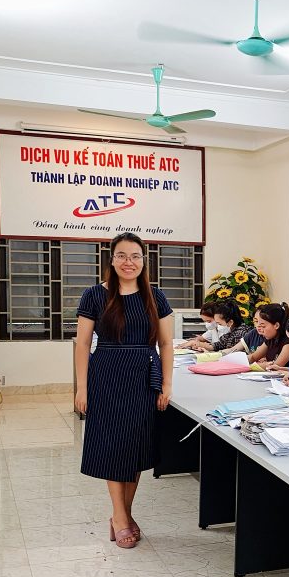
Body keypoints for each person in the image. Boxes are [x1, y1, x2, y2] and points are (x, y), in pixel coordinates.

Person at [74, 233, 173, 549]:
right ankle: (119, 517)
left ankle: (124, 516)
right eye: (121, 256)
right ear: (111, 259)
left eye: (135, 256)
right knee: (113, 448)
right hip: (107, 375)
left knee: (136, 447)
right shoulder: (94, 295)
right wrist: (82, 387)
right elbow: (83, 344)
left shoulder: (155, 297)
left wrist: (167, 384)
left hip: (144, 376)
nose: (128, 262)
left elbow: (167, 343)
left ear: (144, 261)